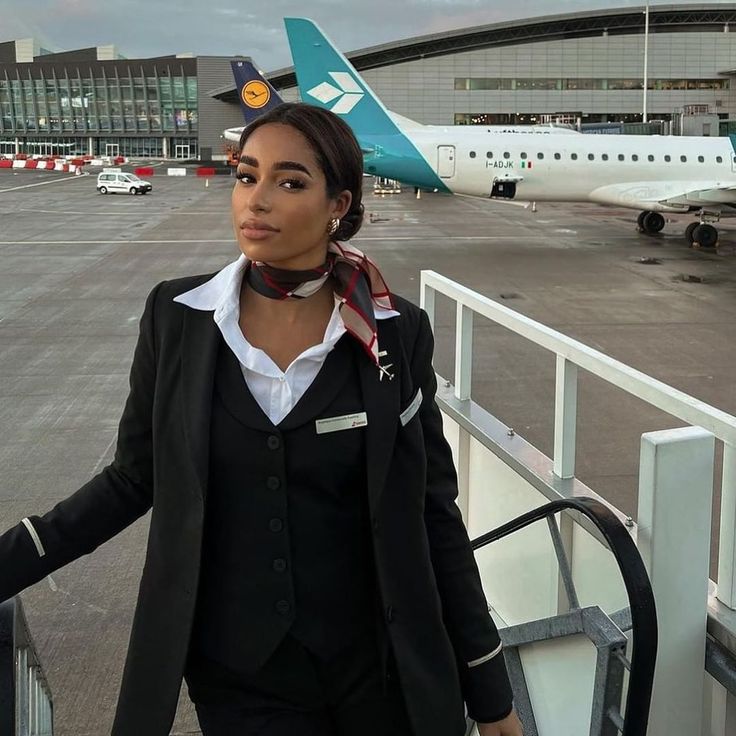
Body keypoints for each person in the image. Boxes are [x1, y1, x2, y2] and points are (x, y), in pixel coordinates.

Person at [0, 102, 523, 736]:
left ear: (339, 204)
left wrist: (489, 688)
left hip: (380, 670)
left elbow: (431, 508)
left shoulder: (394, 331)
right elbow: (133, 479)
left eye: (290, 181)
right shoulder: (178, 316)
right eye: (247, 176)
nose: (258, 200)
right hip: (241, 675)